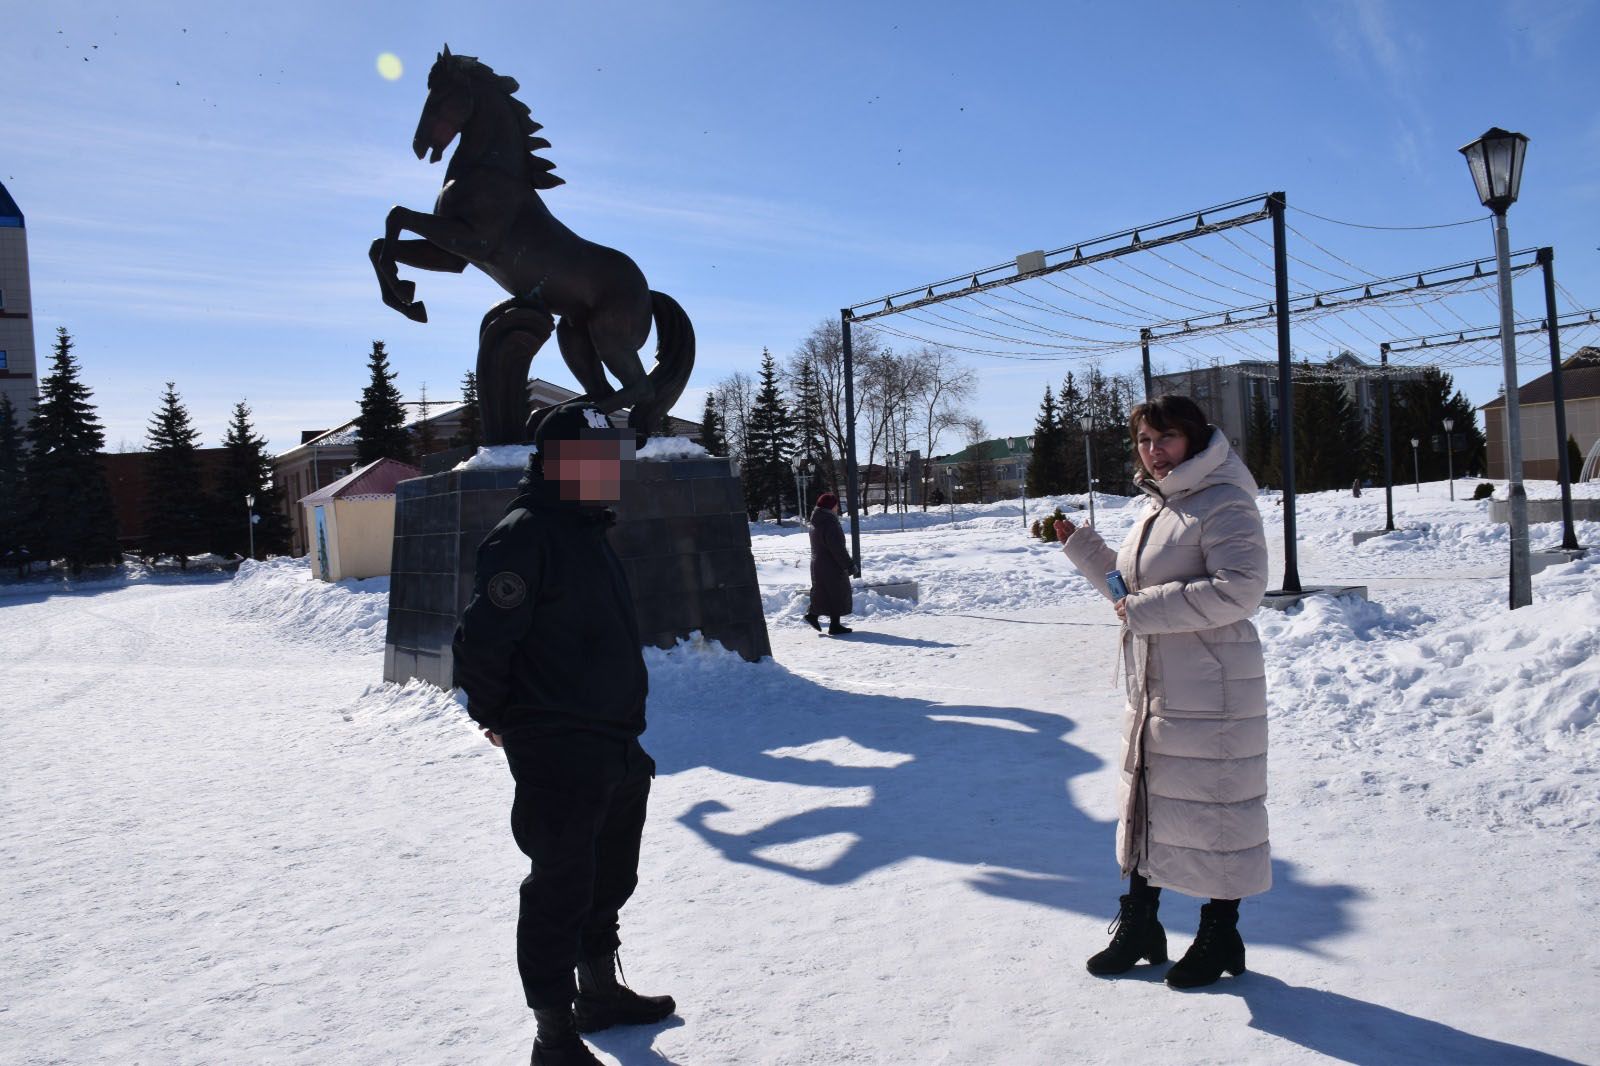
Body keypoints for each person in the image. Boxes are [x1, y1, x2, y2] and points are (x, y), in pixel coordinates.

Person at [453, 402, 674, 1066]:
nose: (611, 472)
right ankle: (554, 1035)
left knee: (609, 876)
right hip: (557, 744)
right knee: (559, 886)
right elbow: (480, 644)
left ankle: (600, 993)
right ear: (558, 464)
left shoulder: (586, 530)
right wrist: (498, 719)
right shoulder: (525, 536)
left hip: (612, 740)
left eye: (614, 460)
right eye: (598, 460)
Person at [1051, 394, 1270, 990]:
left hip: (1214, 687)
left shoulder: (1224, 502)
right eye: (1145, 440)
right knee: (1148, 803)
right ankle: (1141, 924)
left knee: (1216, 808)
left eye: (1165, 438)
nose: (1153, 451)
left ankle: (1221, 932)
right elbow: (1129, 594)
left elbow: (1241, 590)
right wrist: (1081, 545)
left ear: (1195, 439)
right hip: (1158, 684)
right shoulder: (1161, 507)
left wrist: (1143, 609)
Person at [803, 491, 855, 635]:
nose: (837, 508)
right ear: (830, 506)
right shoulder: (829, 522)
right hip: (831, 563)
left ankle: (821, 619)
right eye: (836, 505)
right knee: (836, 592)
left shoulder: (816, 521)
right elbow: (837, 548)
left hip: (819, 563)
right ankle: (829, 622)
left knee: (826, 592)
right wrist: (849, 565)